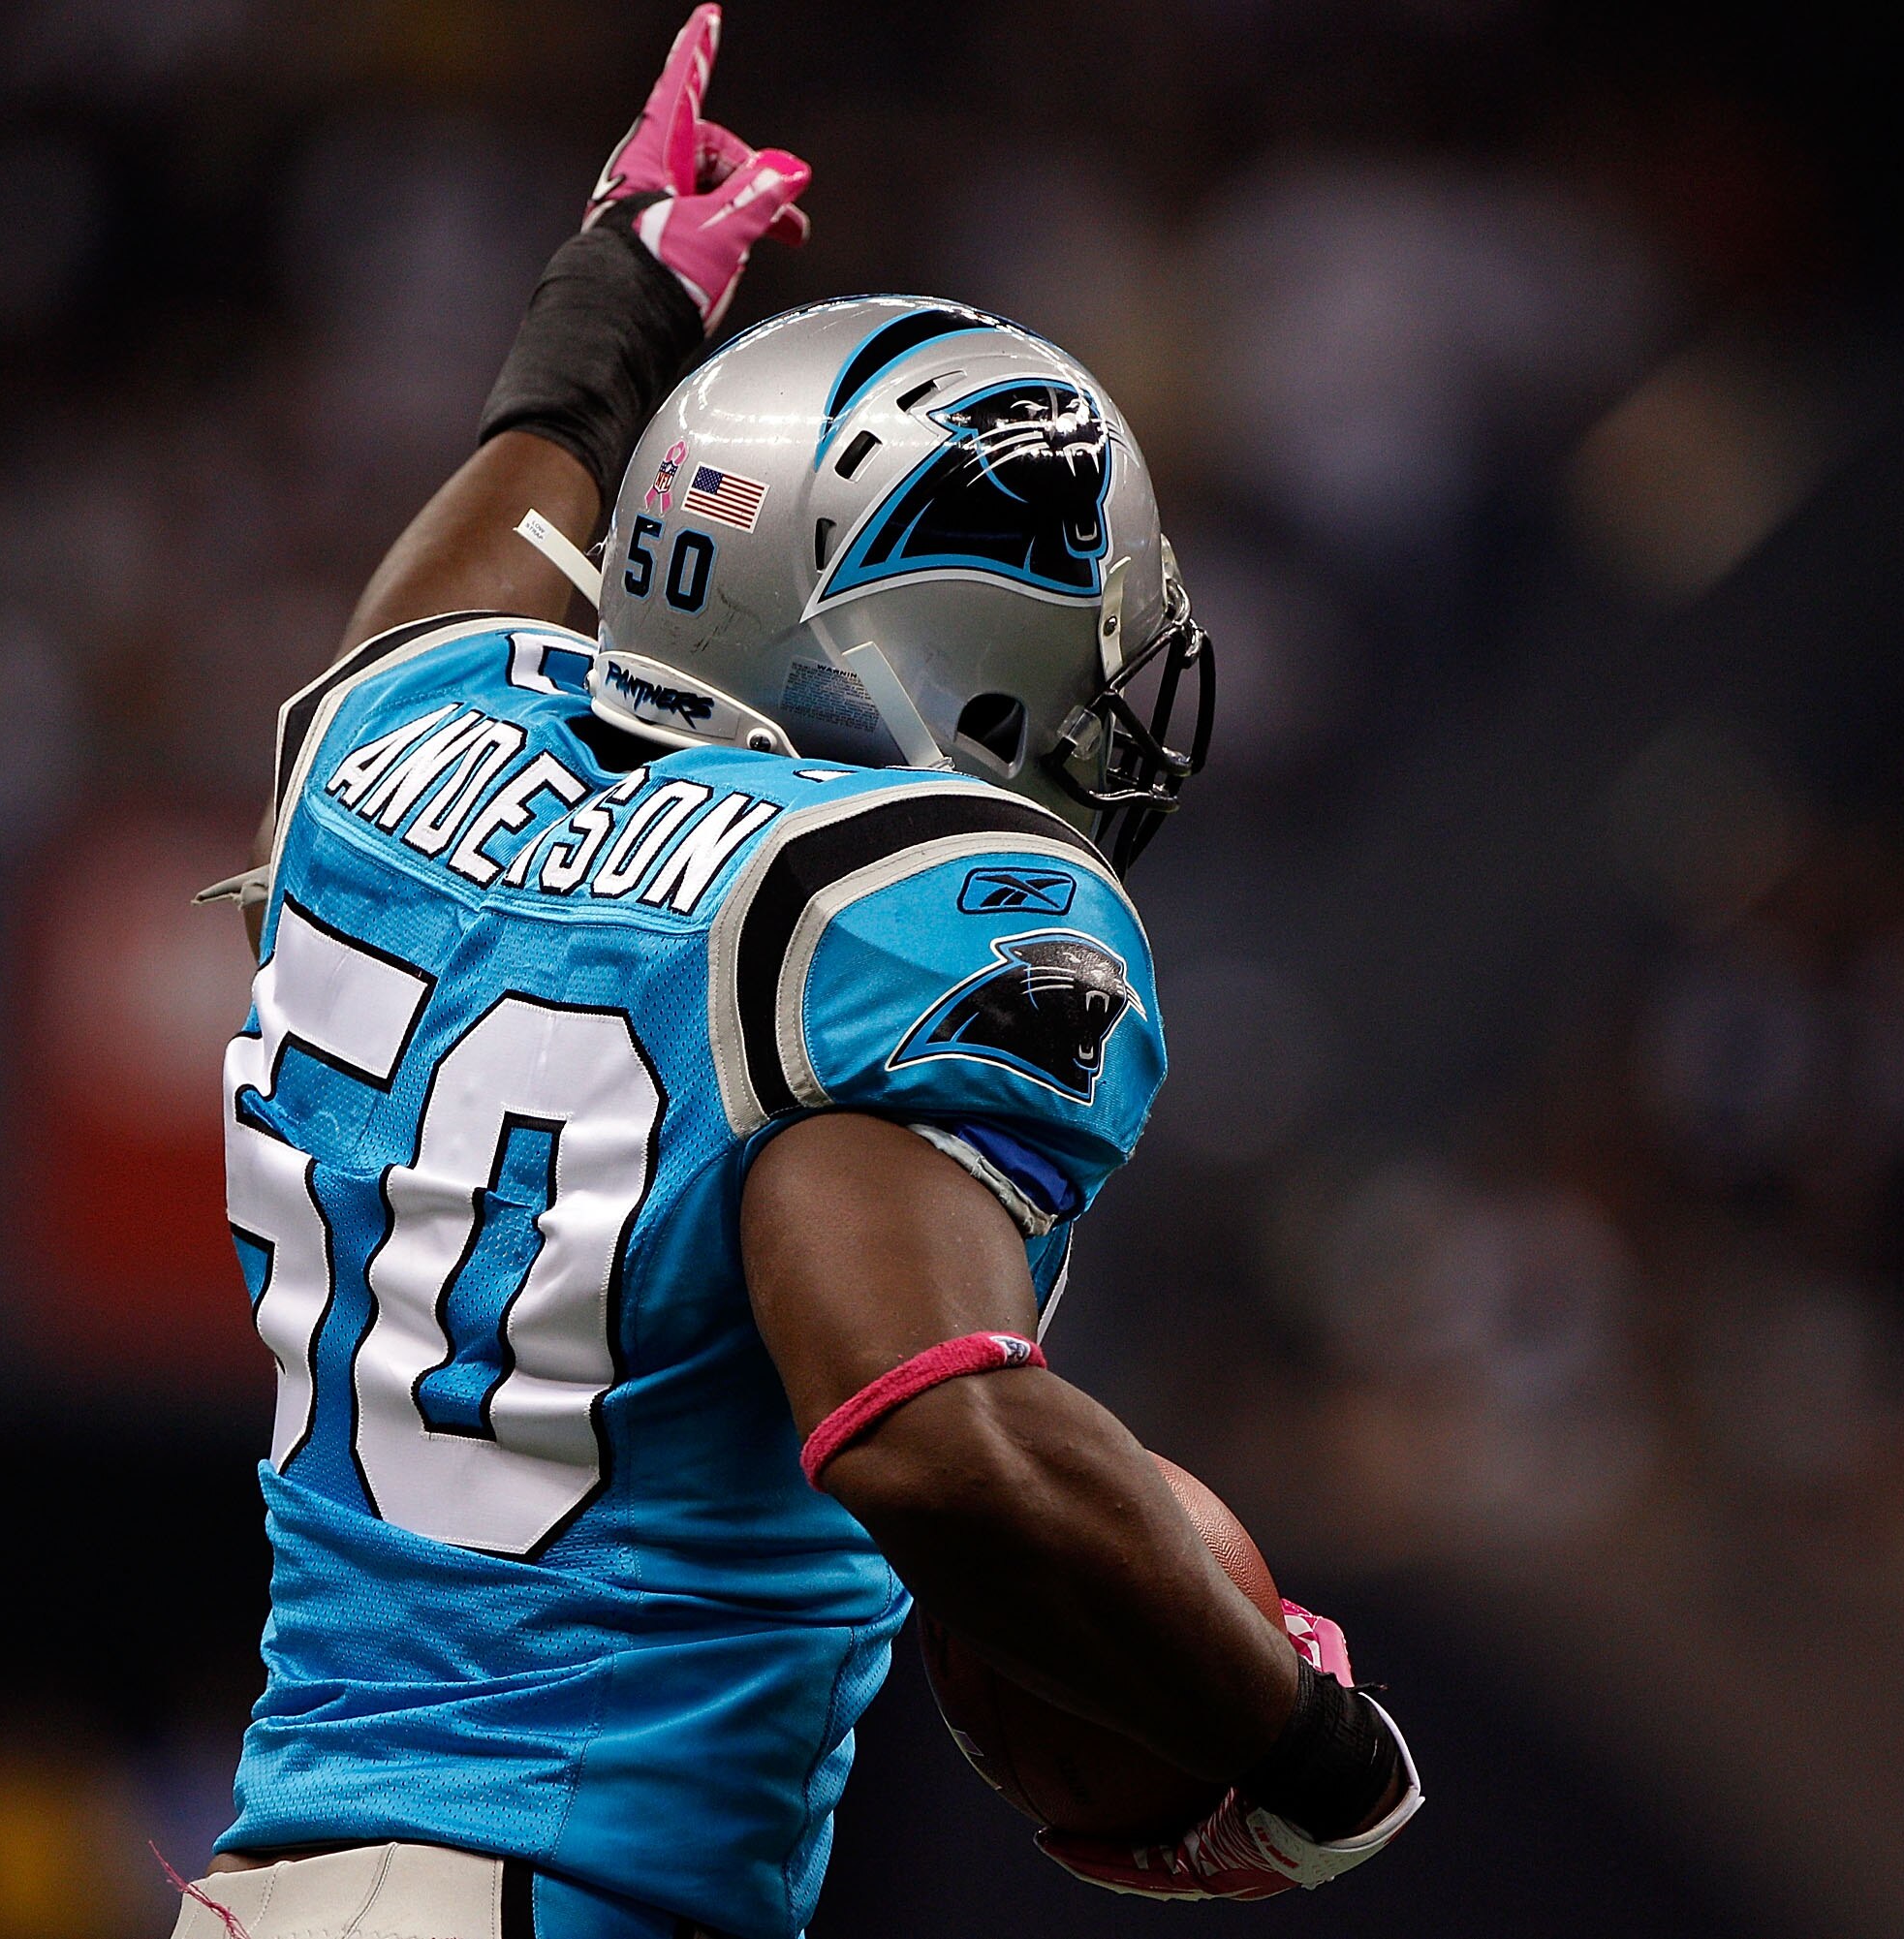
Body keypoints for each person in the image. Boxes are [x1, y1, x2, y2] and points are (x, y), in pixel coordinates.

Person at [174, 11, 1420, 1935]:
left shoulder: (387, 749)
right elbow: (926, 1428)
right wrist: (1306, 1747)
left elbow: (440, 611)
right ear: (929, 629)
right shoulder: (921, 904)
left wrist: (602, 322)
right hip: (567, 1888)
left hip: (289, 1884)